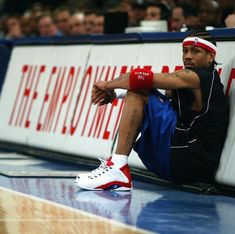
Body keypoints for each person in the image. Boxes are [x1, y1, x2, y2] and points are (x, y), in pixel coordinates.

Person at [76, 30, 229, 190]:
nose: (187, 56)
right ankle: (116, 166)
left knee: (137, 91)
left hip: (186, 161)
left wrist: (106, 85)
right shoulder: (202, 80)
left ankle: (117, 167)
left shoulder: (197, 77)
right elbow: (161, 91)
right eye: (185, 51)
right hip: (187, 162)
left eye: (195, 51)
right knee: (140, 91)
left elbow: (138, 78)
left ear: (211, 57)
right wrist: (115, 93)